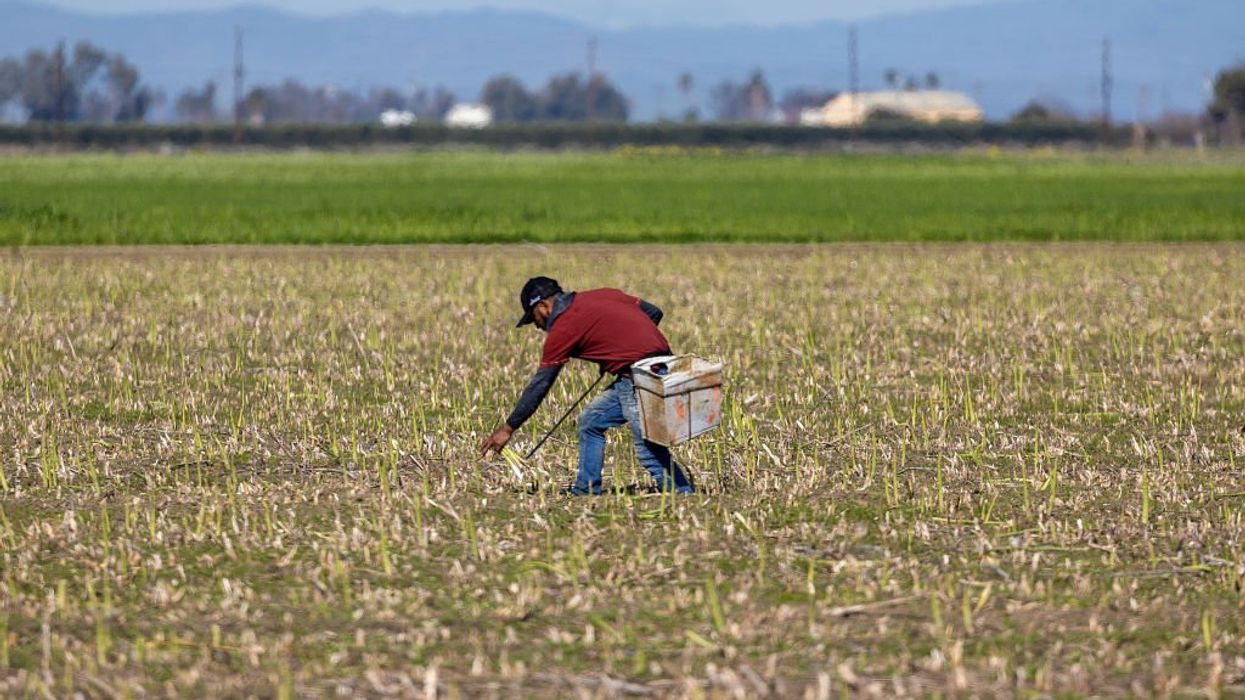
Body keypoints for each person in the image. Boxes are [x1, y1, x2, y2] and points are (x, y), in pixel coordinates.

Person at [479, 276, 695, 495]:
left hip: (638, 376)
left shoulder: (562, 328)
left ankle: (682, 493)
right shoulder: (605, 294)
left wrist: (508, 429)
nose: (536, 325)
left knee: (648, 446)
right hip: (662, 366)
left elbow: (541, 383)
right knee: (591, 422)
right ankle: (586, 489)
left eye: (533, 318)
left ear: (543, 306)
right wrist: (622, 345)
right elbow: (654, 312)